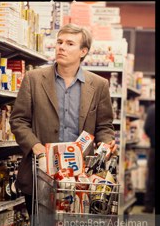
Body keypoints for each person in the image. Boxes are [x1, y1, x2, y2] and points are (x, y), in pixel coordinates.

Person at [9, 23, 117, 216]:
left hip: (81, 177)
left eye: (69, 43)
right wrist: (36, 146)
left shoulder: (99, 85)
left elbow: (104, 126)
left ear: (83, 51)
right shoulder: (33, 79)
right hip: (41, 174)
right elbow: (18, 120)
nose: (61, 47)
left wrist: (106, 144)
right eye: (59, 42)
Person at [142, 103, 155, 213]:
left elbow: (146, 128)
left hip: (154, 148)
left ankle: (149, 205)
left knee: (151, 178)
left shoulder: (152, 109)